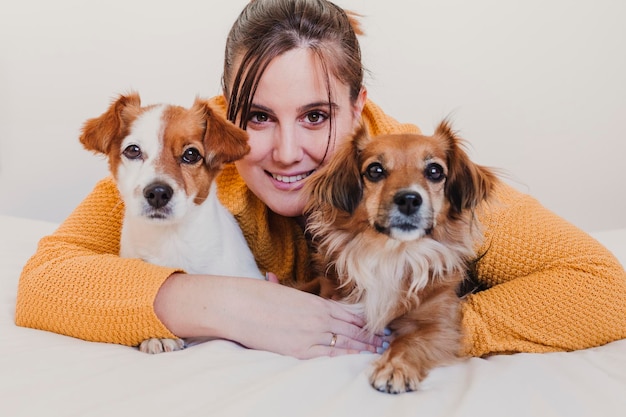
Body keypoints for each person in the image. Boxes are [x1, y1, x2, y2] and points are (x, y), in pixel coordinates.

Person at [15, 0, 626, 359]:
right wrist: (227, 305)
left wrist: (412, 331)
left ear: (359, 109)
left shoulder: (414, 181)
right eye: (258, 117)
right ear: (229, 113)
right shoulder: (189, 160)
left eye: (316, 116)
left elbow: (603, 286)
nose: (285, 152)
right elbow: (44, 282)